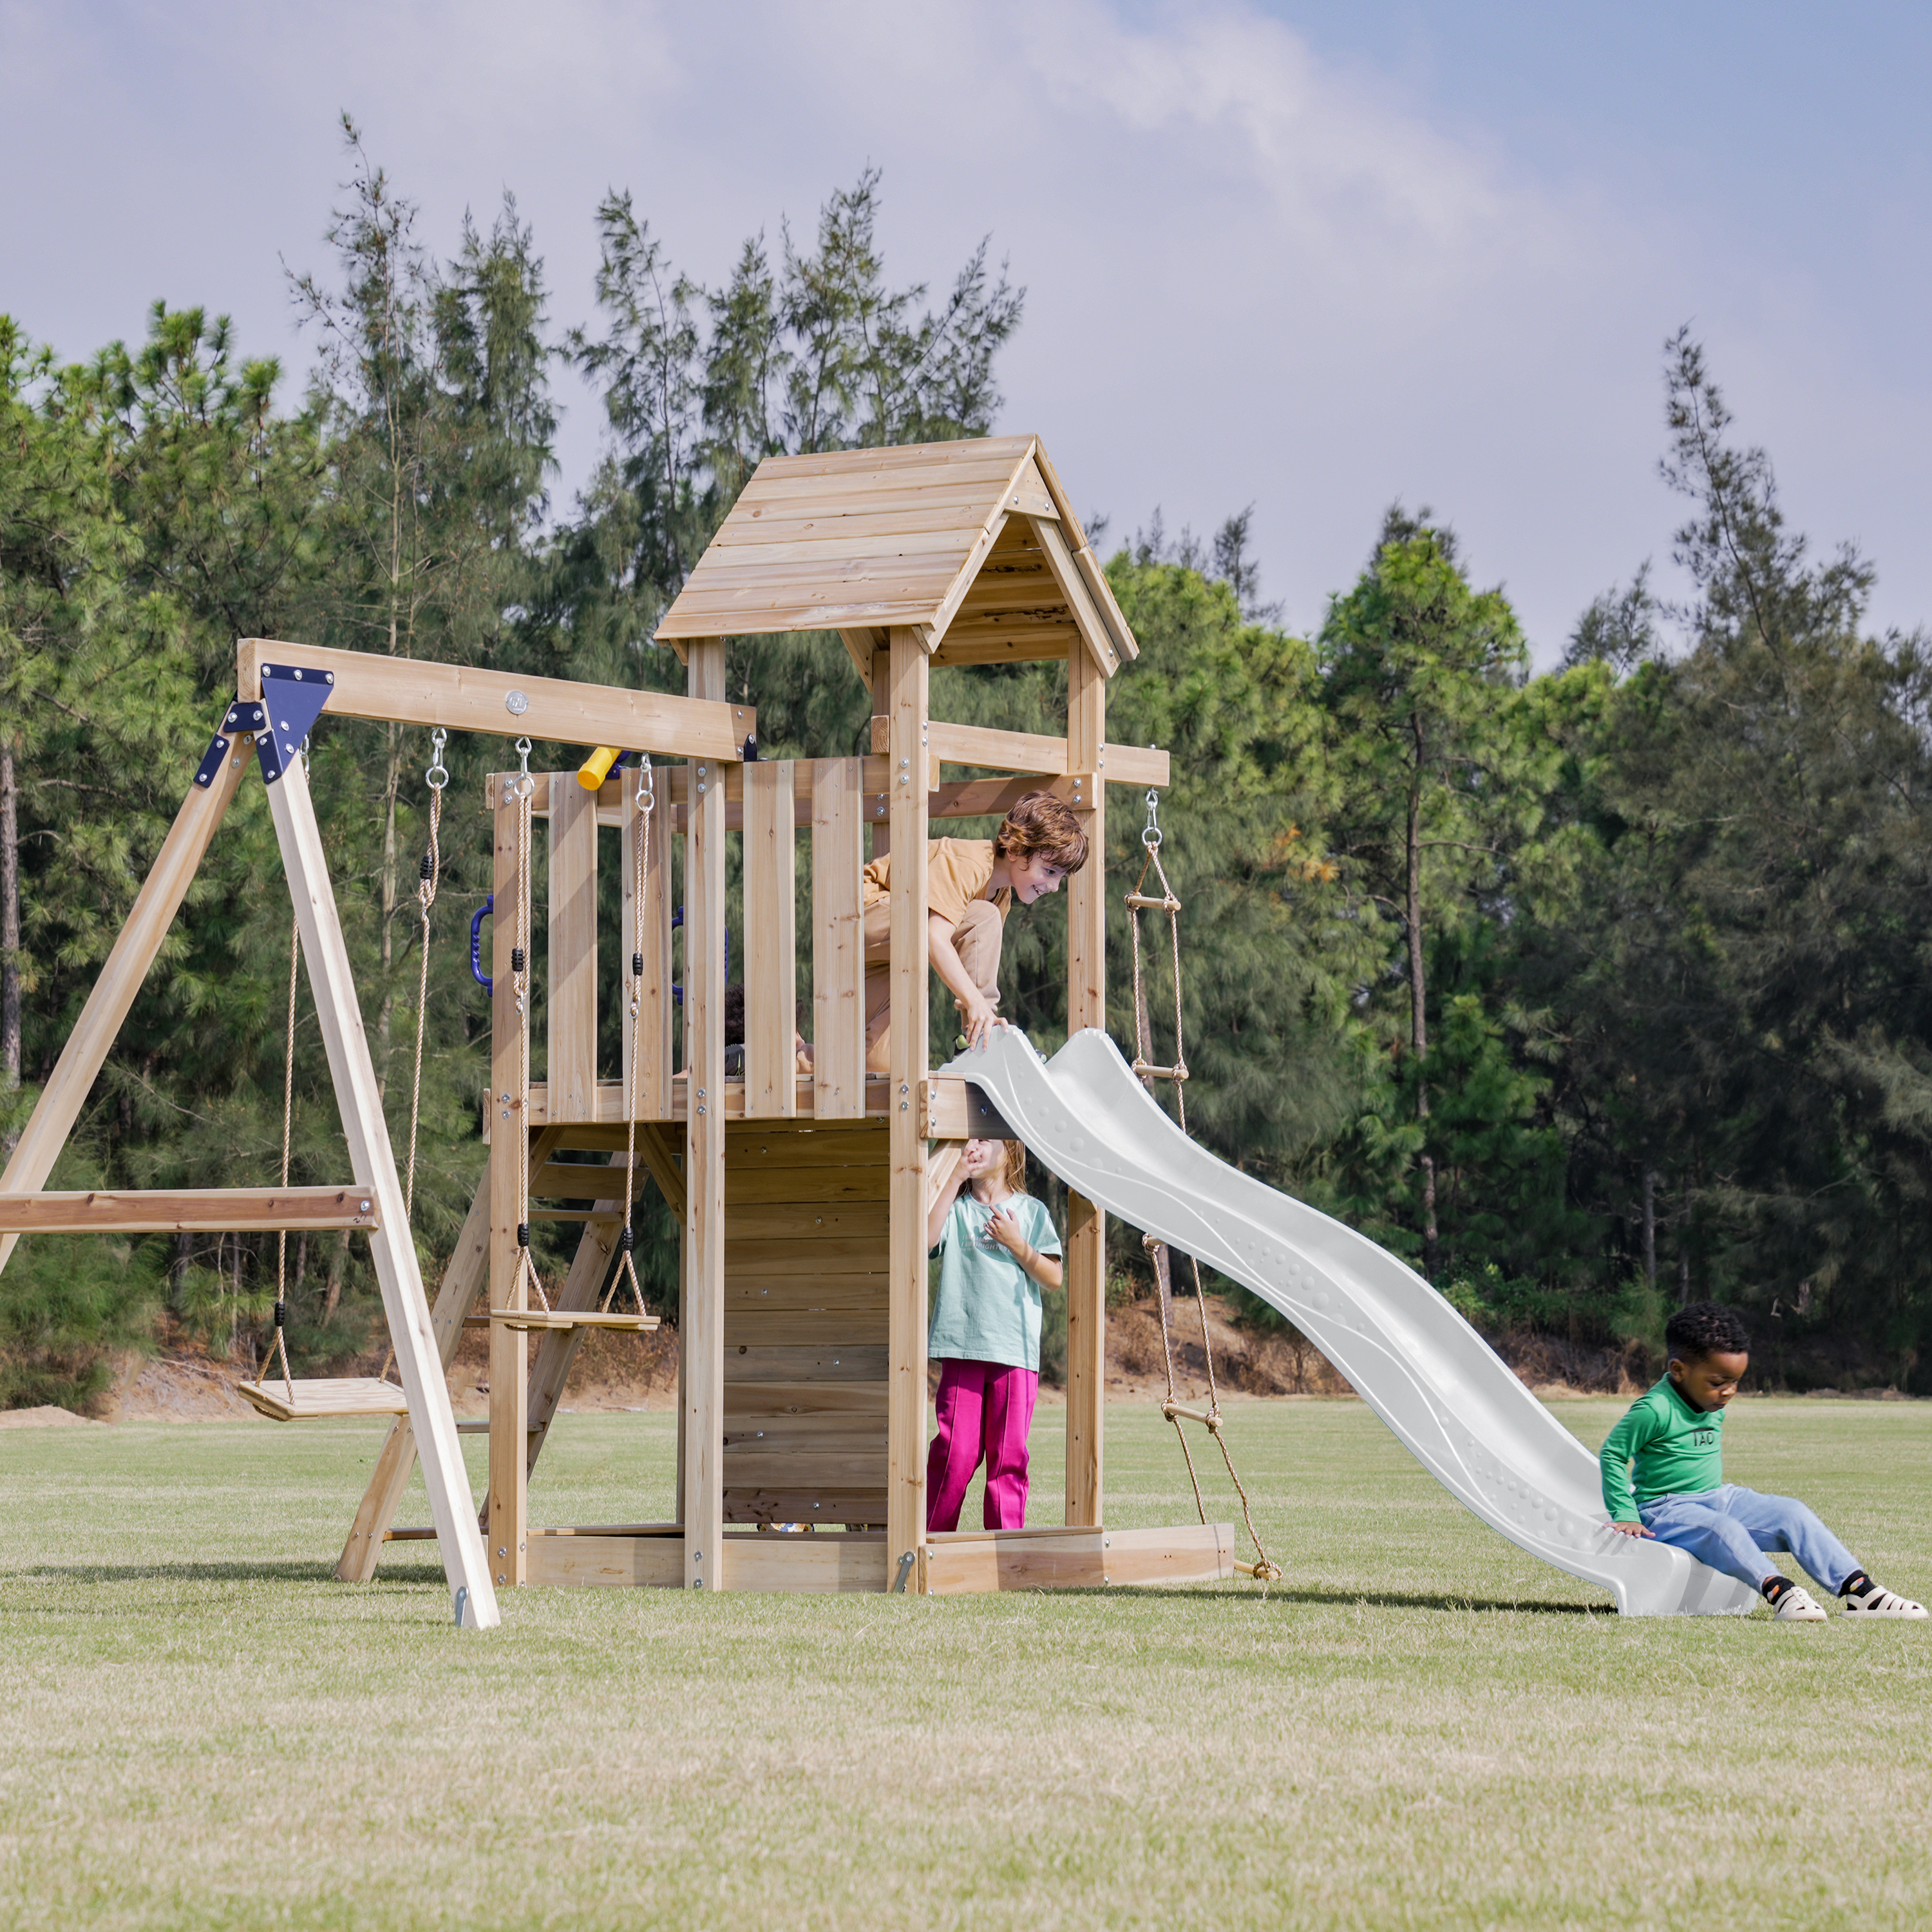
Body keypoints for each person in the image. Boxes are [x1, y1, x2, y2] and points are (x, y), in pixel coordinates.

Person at [1600, 1301, 1926, 1622]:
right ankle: (1780, 1591)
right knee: (1723, 1529)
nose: (1728, 1392)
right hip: (1664, 1510)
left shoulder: (1709, 1400)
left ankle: (1861, 1592)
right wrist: (1627, 1514)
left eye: (1734, 1382)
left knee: (1792, 1513)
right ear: (1678, 1370)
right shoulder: (1654, 1409)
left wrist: (1715, 1389)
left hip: (1715, 1498)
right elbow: (1613, 1455)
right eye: (1718, 1383)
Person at [860, 791, 1088, 1074]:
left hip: (885, 956)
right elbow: (934, 938)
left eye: (1061, 877)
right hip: (860, 917)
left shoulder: (1000, 897)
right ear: (1017, 849)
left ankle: (799, 1060)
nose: (1054, 887)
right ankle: (981, 1038)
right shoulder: (970, 865)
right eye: (1050, 871)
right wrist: (976, 1003)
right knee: (984, 918)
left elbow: (972, 962)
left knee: (880, 1066)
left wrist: (973, 998)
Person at [924, 1136, 1063, 1531]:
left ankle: (1006, 1551)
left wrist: (1018, 1244)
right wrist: (953, 1178)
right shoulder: (955, 1209)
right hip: (961, 1348)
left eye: (985, 1138)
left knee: (1008, 1458)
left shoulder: (1031, 1211)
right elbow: (925, 1240)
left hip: (1014, 1354)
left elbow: (1053, 1277)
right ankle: (931, 1542)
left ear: (1010, 1150)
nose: (974, 1144)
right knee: (954, 1452)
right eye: (968, 1139)